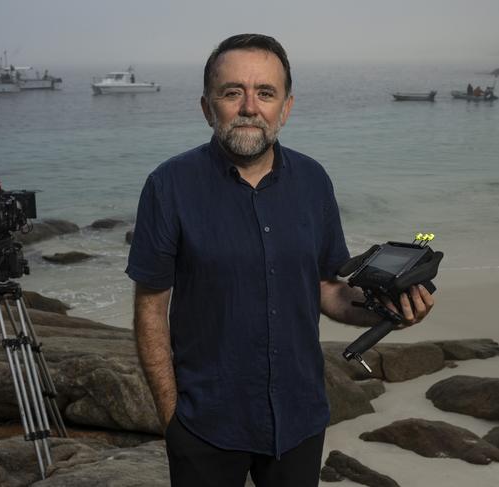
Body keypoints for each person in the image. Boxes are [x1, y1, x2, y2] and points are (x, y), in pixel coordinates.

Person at [126, 33, 434, 487]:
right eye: (233, 92)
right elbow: (150, 307)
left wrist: (389, 312)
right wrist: (172, 418)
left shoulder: (313, 181)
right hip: (205, 425)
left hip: (299, 419)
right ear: (207, 106)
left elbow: (328, 287)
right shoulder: (168, 186)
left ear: (285, 107)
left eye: (265, 93)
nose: (250, 106)